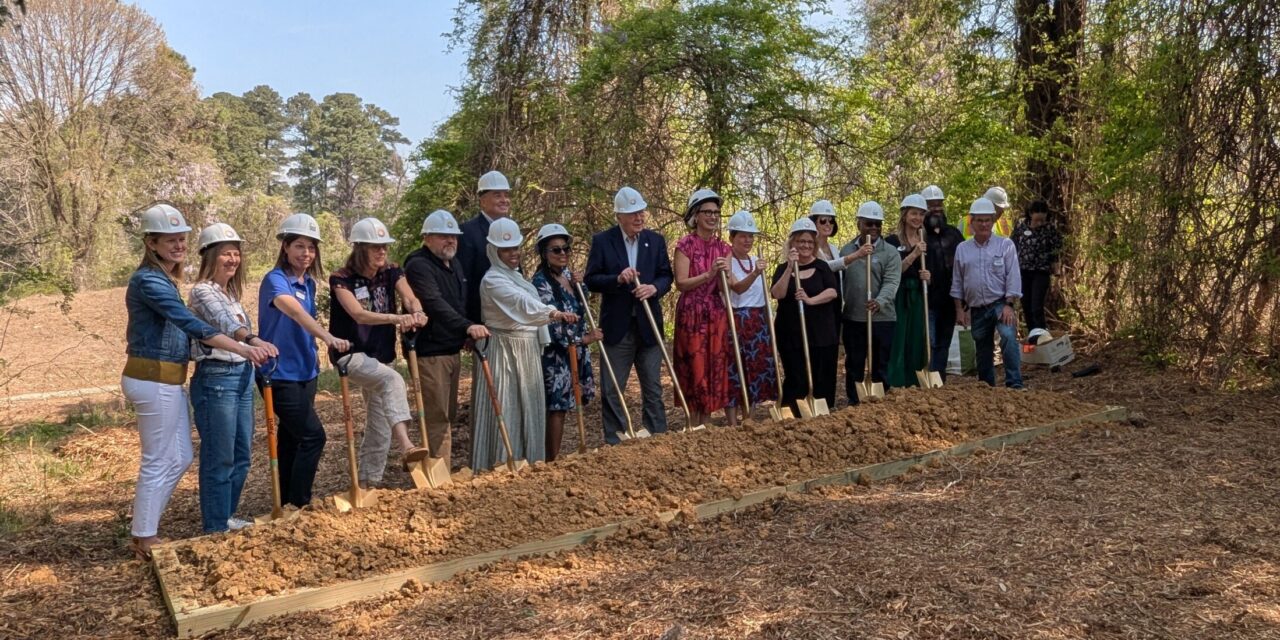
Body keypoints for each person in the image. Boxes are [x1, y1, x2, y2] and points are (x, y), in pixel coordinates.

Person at [123, 205, 269, 559]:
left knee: (181, 456)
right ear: (150, 242)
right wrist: (241, 345)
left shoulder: (165, 280)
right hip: (152, 376)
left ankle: (147, 528)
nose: (178, 246)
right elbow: (189, 323)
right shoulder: (149, 281)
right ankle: (145, 536)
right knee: (159, 459)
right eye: (169, 240)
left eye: (181, 239)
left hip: (169, 379)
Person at [188, 223, 279, 535]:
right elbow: (224, 324)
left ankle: (225, 517)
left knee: (242, 455)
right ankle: (214, 527)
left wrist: (255, 349)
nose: (232, 259)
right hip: (216, 379)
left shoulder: (232, 294)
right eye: (225, 253)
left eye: (236, 253)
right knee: (220, 456)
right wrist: (252, 342)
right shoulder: (202, 291)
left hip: (240, 377)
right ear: (210, 256)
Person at [328, 217, 431, 488]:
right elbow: (358, 314)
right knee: (393, 380)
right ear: (359, 248)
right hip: (350, 354)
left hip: (382, 356)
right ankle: (407, 445)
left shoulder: (392, 271)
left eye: (384, 246)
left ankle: (366, 484)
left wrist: (416, 311)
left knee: (380, 425)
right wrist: (396, 319)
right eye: (375, 247)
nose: (382, 252)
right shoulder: (342, 278)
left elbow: (408, 297)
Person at [258, 213, 351, 509]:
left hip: (305, 373)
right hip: (278, 373)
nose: (306, 253)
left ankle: (285, 502)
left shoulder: (308, 283)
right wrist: (328, 337)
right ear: (285, 247)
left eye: (311, 247)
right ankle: (300, 503)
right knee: (314, 436)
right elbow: (296, 313)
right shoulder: (275, 280)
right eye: (299, 246)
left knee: (292, 439)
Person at [471, 218, 578, 470]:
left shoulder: (516, 276)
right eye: (506, 249)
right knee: (506, 408)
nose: (513, 254)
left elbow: (525, 298)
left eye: (516, 248)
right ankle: (499, 465)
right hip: (505, 351)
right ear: (494, 251)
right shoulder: (492, 280)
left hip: (527, 350)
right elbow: (520, 303)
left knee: (528, 408)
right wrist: (552, 313)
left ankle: (529, 463)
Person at [585, 186, 675, 443]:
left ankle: (657, 437)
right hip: (616, 327)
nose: (639, 217)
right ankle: (617, 441)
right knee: (612, 389)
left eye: (641, 212)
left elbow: (665, 276)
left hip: (649, 326)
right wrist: (617, 278)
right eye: (632, 213)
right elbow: (591, 279)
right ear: (619, 216)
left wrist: (654, 288)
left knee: (653, 388)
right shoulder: (603, 241)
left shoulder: (655, 241)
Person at [403, 210, 489, 471]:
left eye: (453, 236)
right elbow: (434, 304)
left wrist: (465, 332)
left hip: (450, 348)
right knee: (437, 416)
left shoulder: (454, 264)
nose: (450, 241)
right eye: (443, 236)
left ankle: (441, 469)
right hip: (429, 352)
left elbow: (459, 302)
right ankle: (436, 476)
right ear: (427, 238)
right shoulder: (418, 265)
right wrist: (467, 326)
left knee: (447, 414)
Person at [531, 224, 601, 460]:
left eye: (566, 249)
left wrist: (581, 285)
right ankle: (550, 460)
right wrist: (583, 339)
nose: (563, 254)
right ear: (544, 254)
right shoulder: (540, 283)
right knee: (557, 408)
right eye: (556, 250)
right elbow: (549, 323)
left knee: (574, 402)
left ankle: (567, 452)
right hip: (557, 354)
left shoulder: (571, 277)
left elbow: (583, 304)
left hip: (577, 350)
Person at [672, 188, 732, 427]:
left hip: (715, 314)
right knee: (694, 369)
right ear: (695, 215)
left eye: (716, 212)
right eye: (707, 212)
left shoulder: (724, 248)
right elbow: (681, 283)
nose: (712, 216)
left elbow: (723, 286)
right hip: (692, 313)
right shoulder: (685, 245)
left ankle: (706, 424)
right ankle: (691, 423)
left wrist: (723, 276)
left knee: (712, 367)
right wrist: (708, 274)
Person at [952, 197, 1024, 389]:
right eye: (979, 220)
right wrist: (960, 309)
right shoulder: (962, 249)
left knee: (1008, 337)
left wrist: (1009, 305)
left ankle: (1014, 384)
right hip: (976, 308)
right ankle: (986, 388)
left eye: (987, 220)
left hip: (1001, 304)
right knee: (982, 349)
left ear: (993, 221)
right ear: (971, 222)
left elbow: (1013, 277)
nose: (984, 224)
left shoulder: (1005, 245)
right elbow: (958, 281)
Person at [770, 218, 839, 415]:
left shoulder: (822, 267)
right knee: (796, 377)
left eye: (809, 242)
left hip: (821, 334)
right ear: (793, 243)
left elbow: (832, 292)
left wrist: (810, 300)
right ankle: (792, 416)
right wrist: (791, 267)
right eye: (801, 241)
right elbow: (777, 294)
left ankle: (821, 416)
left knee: (821, 377)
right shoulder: (783, 268)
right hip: (792, 334)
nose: (806, 246)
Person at [838, 202, 901, 404]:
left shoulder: (890, 252)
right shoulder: (847, 250)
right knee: (854, 363)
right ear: (859, 224)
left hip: (882, 319)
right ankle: (854, 402)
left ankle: (880, 403)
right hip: (854, 318)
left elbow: (892, 282)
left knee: (880, 364)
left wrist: (879, 301)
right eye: (869, 223)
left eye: (878, 224)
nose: (874, 228)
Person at [723, 210, 777, 426]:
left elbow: (763, 294)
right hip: (737, 319)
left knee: (755, 369)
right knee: (735, 368)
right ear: (733, 238)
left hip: (758, 320)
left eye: (751, 236)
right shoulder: (728, 262)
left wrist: (769, 319)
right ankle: (732, 422)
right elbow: (736, 288)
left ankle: (749, 418)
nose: (748, 240)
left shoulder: (756, 260)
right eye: (743, 236)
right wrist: (754, 273)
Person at [884, 195, 933, 388]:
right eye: (914, 213)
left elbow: (931, 270)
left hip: (919, 295)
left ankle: (915, 379)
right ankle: (896, 381)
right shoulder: (892, 241)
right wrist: (914, 254)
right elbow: (894, 271)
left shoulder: (925, 239)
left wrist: (928, 277)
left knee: (917, 336)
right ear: (904, 215)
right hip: (899, 294)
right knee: (899, 336)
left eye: (921, 214)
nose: (917, 218)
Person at [921, 186, 965, 380]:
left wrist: (964, 303)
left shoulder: (954, 234)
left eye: (939, 204)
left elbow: (964, 267)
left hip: (949, 300)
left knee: (943, 343)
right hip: (926, 301)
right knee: (929, 343)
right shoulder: (918, 236)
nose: (936, 209)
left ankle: (938, 383)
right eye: (932, 206)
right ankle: (926, 381)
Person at [457, 170, 512, 323]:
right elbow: (464, 281)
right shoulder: (467, 232)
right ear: (482, 200)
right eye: (497, 195)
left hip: (510, 316)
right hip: (482, 319)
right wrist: (468, 323)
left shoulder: (511, 229)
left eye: (506, 195)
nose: (504, 200)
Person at [1012, 200, 1063, 339]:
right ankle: (1032, 337)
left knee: (1036, 307)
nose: (1040, 223)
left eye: (1043, 220)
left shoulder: (1050, 229)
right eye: (1037, 220)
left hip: (1041, 272)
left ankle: (1042, 337)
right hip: (1022, 272)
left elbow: (1056, 251)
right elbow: (1013, 245)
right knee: (1027, 307)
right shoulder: (1020, 225)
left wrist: (1056, 273)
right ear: (1030, 215)